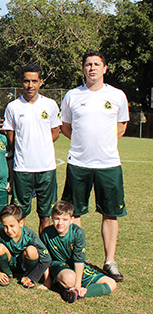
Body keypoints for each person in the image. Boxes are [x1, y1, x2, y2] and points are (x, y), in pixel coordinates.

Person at [60, 50, 129, 282]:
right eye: (88, 64)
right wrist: (84, 146)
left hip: (109, 164)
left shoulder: (118, 95)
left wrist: (103, 146)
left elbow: (121, 127)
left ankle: (109, 261)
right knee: (74, 212)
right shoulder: (71, 96)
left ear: (104, 68)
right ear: (83, 69)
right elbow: (66, 127)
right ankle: (75, 257)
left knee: (110, 213)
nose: (92, 68)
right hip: (78, 164)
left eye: (97, 64)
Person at [3, 64, 61, 234]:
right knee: (19, 215)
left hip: (46, 168)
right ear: (21, 82)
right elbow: (11, 136)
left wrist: (41, 144)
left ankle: (43, 251)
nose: (30, 85)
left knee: (45, 215)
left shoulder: (50, 105)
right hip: (22, 169)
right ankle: (22, 250)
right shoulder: (13, 107)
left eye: (34, 81)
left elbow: (56, 132)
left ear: (41, 82)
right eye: (27, 81)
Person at [39, 201, 117, 303]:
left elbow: (79, 260)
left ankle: (76, 293)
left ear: (72, 220)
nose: (60, 223)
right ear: (52, 217)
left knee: (111, 283)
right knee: (70, 279)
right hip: (59, 266)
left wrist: (78, 286)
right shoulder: (46, 233)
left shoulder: (77, 233)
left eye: (65, 219)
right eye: (57, 218)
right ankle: (63, 283)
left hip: (76, 267)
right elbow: (45, 259)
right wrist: (47, 282)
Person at [0, 205, 51, 288]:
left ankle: (27, 276)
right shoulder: (0, 236)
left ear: (21, 223)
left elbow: (46, 259)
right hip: (9, 264)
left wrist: (33, 276)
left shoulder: (30, 235)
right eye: (5, 226)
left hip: (24, 264)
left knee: (32, 250)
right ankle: (6, 274)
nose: (9, 230)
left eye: (12, 226)